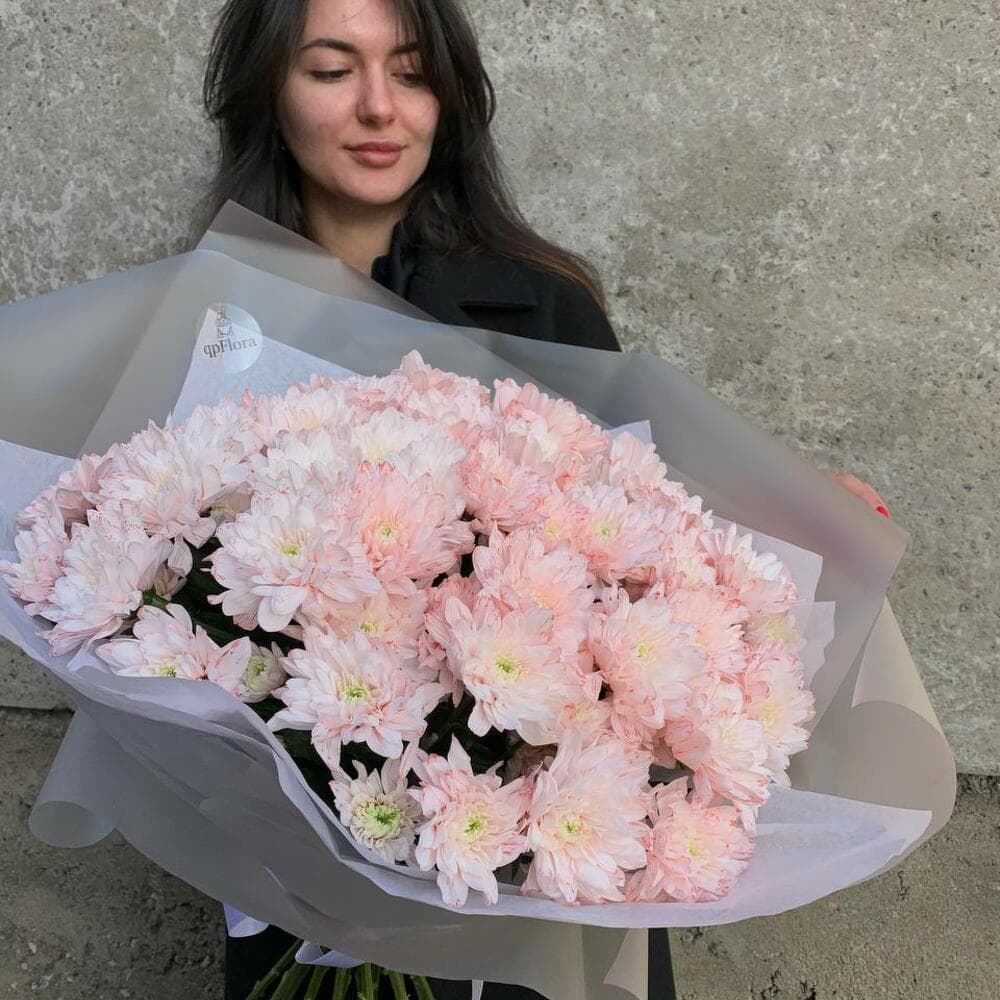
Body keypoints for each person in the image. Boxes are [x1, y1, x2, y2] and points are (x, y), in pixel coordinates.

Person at [201, 1, 886, 997]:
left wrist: (790, 516)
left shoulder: (542, 304)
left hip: (532, 853)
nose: (380, 107)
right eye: (332, 70)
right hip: (299, 853)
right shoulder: (213, 321)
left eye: (411, 71)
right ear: (269, 89)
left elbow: (644, 530)